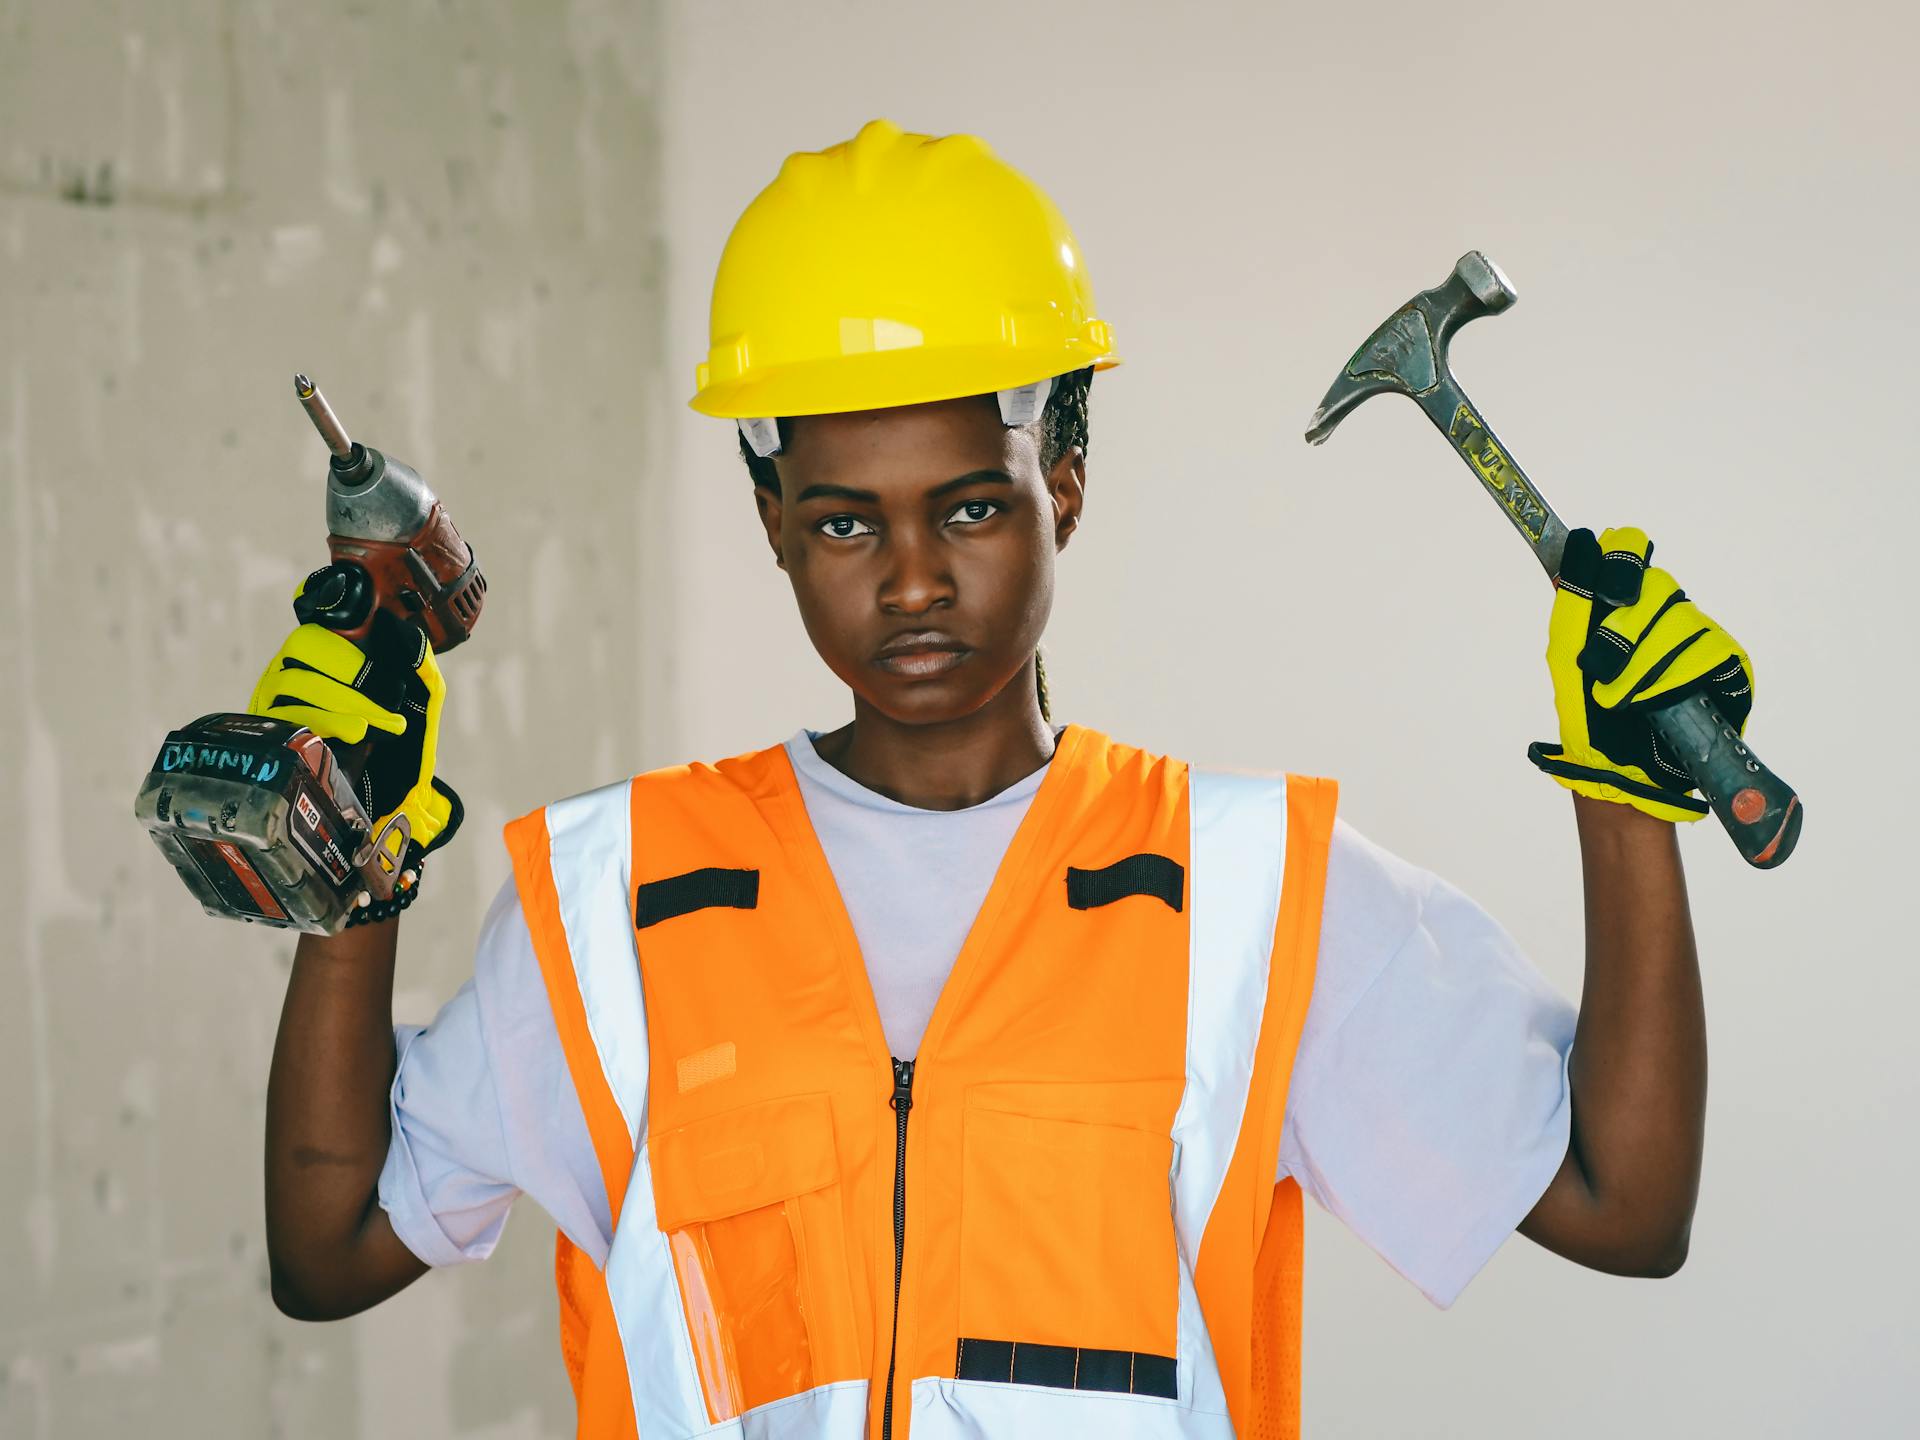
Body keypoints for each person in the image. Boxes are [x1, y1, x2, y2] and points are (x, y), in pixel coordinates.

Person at [256, 120, 1755, 1439]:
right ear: (773, 522)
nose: (912, 580)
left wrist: (1624, 798)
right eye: (846, 524)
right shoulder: (607, 901)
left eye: (970, 505)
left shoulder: (1253, 897)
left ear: (1067, 490)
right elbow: (328, 1250)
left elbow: (1628, 1206)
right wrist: (346, 860)